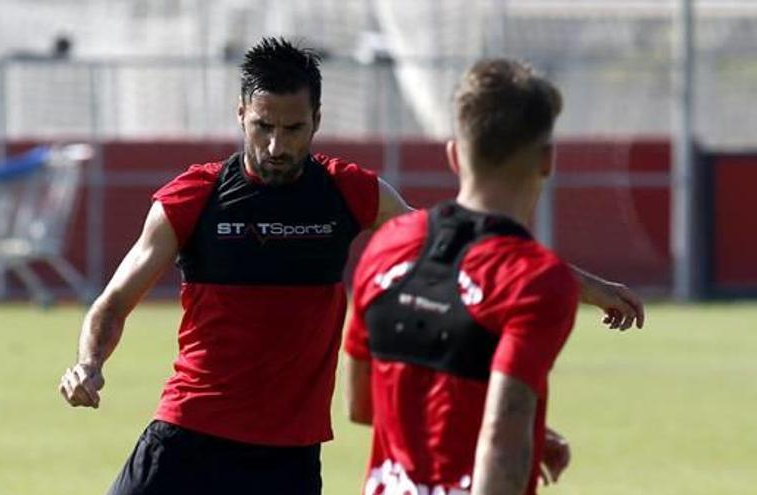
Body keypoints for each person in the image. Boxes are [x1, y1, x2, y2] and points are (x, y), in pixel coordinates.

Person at [59, 38, 642, 494]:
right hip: (188, 436)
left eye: (293, 128)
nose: (276, 145)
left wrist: (593, 290)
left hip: (288, 459)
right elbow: (113, 301)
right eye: (263, 126)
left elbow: (466, 248)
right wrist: (89, 363)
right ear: (241, 114)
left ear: (317, 118)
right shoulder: (194, 197)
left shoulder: (350, 193)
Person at [344, 58, 643, 495]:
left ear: (453, 153)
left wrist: (517, 432)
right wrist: (513, 432)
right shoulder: (539, 281)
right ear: (547, 161)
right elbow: (502, 446)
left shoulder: (386, 245)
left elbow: (361, 404)